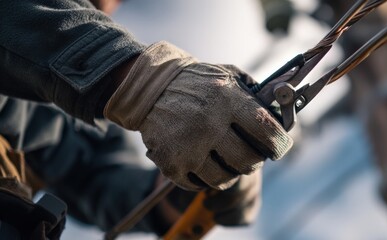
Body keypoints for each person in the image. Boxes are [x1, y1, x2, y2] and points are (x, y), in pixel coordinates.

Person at [0, 0, 293, 238]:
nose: (114, 4)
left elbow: (95, 176)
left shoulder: (67, 109)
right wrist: (141, 78)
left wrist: (178, 197)